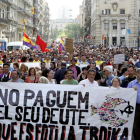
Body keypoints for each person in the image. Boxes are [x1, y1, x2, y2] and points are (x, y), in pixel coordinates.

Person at [127, 68, 140, 140]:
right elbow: (127, 94)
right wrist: (131, 90)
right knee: (136, 125)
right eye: (139, 73)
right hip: (136, 106)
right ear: (137, 74)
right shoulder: (131, 84)